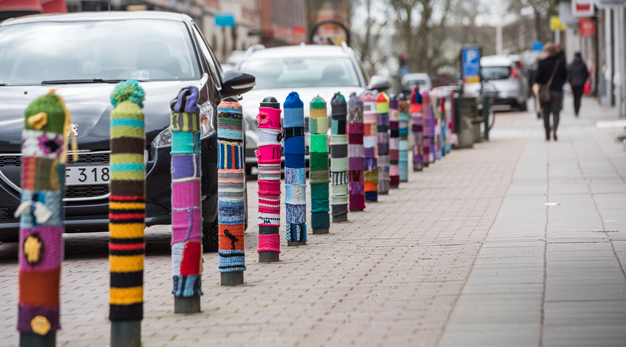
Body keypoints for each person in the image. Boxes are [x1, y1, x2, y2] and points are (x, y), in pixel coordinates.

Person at [535, 43, 567, 141]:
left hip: (545, 92)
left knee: (546, 113)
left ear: (547, 52)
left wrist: (543, 82)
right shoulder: (560, 63)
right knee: (556, 112)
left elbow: (537, 78)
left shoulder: (542, 63)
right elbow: (565, 76)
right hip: (557, 90)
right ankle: (555, 129)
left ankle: (547, 134)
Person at [568, 52, 590, 117]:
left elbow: (569, 74)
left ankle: (575, 110)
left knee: (574, 97)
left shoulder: (571, 64)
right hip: (580, 83)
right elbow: (586, 74)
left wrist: (570, 81)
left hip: (573, 83)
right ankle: (577, 110)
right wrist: (584, 80)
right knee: (579, 97)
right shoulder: (583, 65)